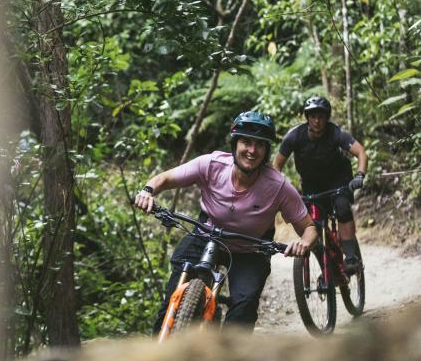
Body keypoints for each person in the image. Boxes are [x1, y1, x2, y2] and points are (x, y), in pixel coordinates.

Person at [135, 111, 318, 333]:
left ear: (267, 150)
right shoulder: (211, 164)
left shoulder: (278, 186)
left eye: (260, 144)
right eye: (246, 142)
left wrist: (304, 244)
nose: (252, 150)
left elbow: (308, 227)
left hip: (250, 247)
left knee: (244, 304)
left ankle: (228, 360)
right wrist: (147, 191)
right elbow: (165, 178)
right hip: (206, 234)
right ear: (234, 143)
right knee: (172, 298)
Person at [273, 96, 368, 272]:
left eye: (321, 116)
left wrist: (360, 175)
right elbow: (277, 164)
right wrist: (280, 185)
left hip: (338, 180)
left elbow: (360, 152)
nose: (317, 121)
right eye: (313, 116)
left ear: (327, 118)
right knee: (311, 225)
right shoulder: (295, 136)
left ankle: (351, 257)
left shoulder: (336, 133)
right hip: (311, 185)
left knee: (342, 207)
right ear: (307, 117)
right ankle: (327, 270)